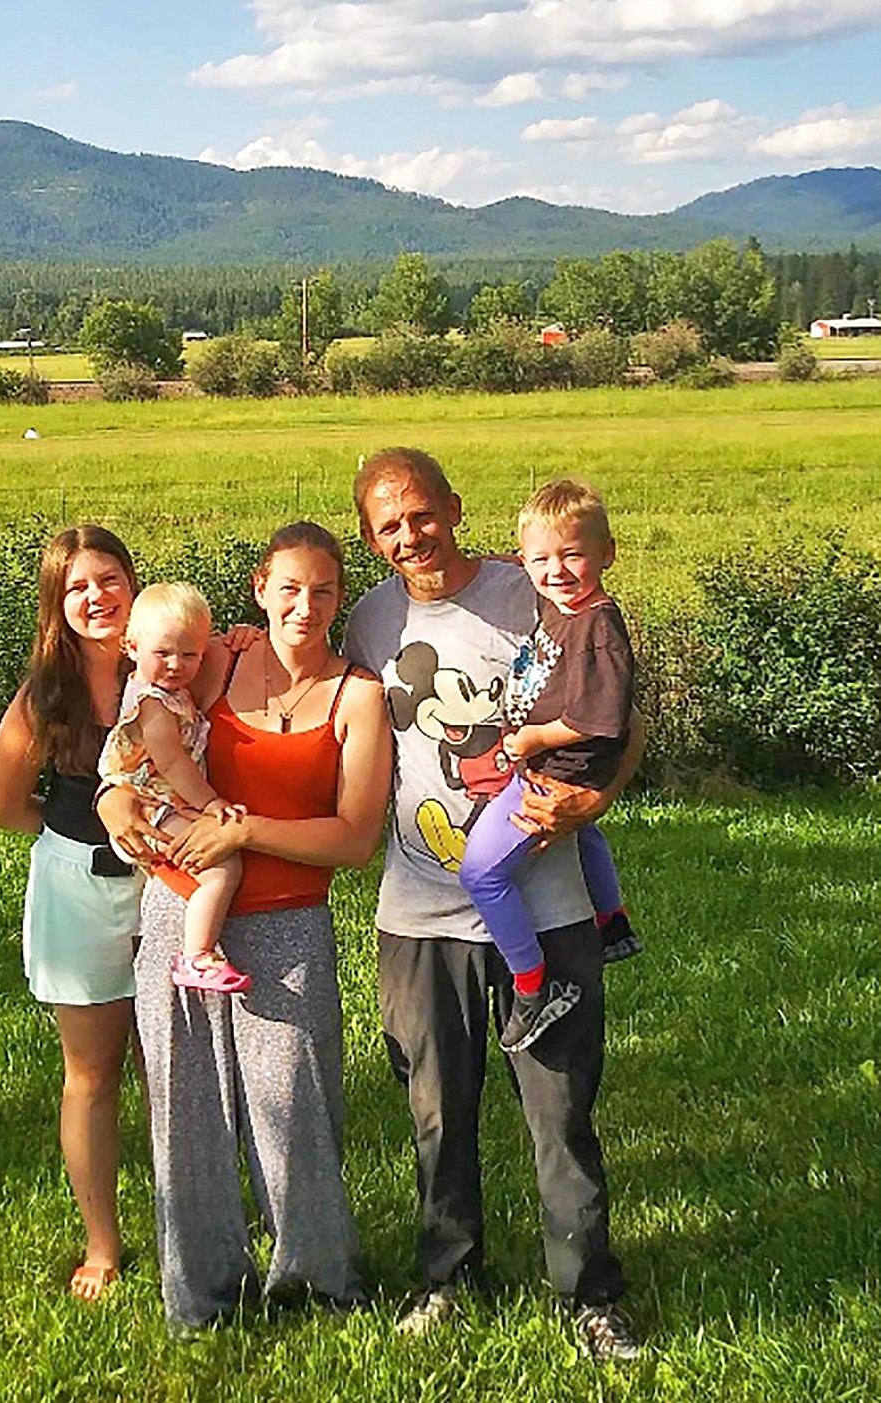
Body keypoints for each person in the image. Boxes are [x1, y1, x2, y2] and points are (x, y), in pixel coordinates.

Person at [344, 448, 643, 1361]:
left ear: (455, 507)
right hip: (418, 916)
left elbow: (620, 714)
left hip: (546, 908)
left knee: (559, 1111)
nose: (410, 535)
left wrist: (596, 798)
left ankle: (589, 1294)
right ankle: (446, 1276)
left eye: (422, 514)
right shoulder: (367, 622)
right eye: (389, 525)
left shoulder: (534, 591)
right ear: (371, 538)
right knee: (437, 1112)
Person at [99, 521, 392, 1332]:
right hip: (177, 905)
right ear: (259, 585)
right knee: (184, 1111)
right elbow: (140, 732)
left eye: (324, 590)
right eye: (289, 586)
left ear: (342, 597)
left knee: (295, 1105)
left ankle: (317, 1278)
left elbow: (356, 838)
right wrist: (112, 797)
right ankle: (200, 1293)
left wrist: (244, 831)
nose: (305, 605)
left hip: (289, 924)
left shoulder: (357, 695)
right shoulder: (216, 660)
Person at [0, 525, 143, 1303]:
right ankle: (102, 1244)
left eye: (109, 578)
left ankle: (199, 1220)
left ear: (132, 581)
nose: (97, 597)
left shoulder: (178, 660)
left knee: (179, 1068)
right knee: (92, 1073)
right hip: (79, 890)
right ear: (58, 604)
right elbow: (2, 806)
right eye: (78, 586)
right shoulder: (43, 695)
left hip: (172, 888)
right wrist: (71, 832)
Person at [458, 478, 640, 1056]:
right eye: (540, 559)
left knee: (481, 874)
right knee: (588, 838)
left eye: (572, 555)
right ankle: (611, 919)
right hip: (555, 763)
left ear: (606, 554)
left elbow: (598, 718)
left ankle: (534, 984)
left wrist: (533, 737)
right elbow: (524, 568)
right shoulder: (562, 603)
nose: (556, 570)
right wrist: (477, 562)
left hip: (557, 772)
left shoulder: (597, 629)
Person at [98, 582, 251, 995]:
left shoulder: (168, 690)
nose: (175, 664)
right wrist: (210, 804)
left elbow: (204, 641)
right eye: (162, 653)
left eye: (189, 655)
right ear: (132, 647)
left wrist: (234, 638)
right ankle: (197, 955)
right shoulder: (153, 703)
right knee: (223, 869)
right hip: (150, 805)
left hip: (158, 802)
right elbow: (172, 763)